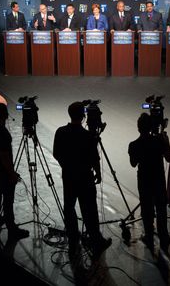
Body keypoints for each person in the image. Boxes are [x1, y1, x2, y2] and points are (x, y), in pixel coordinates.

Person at [53, 102, 112, 259]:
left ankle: (73, 240)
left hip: (69, 177)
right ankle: (95, 240)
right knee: (89, 211)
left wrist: (66, 165)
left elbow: (56, 153)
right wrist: (98, 173)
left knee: (69, 209)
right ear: (83, 116)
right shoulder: (88, 136)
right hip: (85, 178)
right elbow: (94, 158)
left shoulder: (60, 132)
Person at [128, 113, 170, 254]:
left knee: (147, 210)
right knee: (161, 209)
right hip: (158, 180)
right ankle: (164, 237)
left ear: (138, 128)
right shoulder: (159, 141)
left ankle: (148, 236)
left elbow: (133, 163)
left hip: (144, 181)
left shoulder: (134, 145)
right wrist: (166, 141)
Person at [0, 103, 29, 240]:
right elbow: (4, 156)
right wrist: (12, 174)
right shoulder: (3, 133)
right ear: (5, 115)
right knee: (8, 200)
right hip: (4, 170)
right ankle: (12, 229)